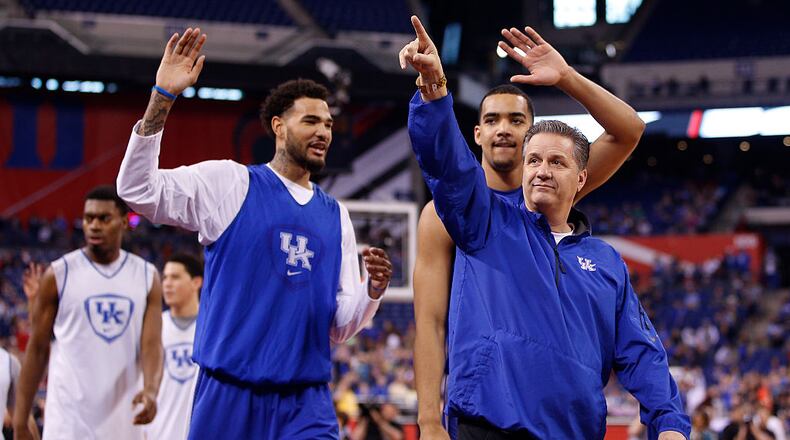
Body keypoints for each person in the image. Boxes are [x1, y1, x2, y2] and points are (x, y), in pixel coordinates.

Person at [402, 16, 690, 440]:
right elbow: (447, 166)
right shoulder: (480, 222)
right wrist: (433, 89)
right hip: (488, 423)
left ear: (581, 178)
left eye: (555, 162)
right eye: (536, 161)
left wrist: (669, 423)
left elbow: (640, 351)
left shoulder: (604, 260)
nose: (541, 170)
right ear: (478, 133)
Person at [116, 28, 393, 439]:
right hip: (229, 394)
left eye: (330, 124)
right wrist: (163, 97)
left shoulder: (336, 217)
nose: (324, 132)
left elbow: (338, 326)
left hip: (306, 401)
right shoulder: (230, 183)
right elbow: (137, 190)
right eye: (311, 120)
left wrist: (372, 291)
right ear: (279, 127)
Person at [13, 185, 163, 440]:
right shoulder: (58, 274)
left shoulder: (147, 276)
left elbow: (151, 346)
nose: (94, 225)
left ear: (124, 223)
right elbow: (37, 349)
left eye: (104, 218)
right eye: (88, 218)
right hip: (68, 419)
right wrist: (20, 419)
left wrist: (150, 390)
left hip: (124, 420)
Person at [144, 253, 202, 440]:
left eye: (175, 277)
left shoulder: (213, 328)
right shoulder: (152, 327)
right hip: (158, 432)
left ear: (196, 283)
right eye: (165, 278)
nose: (167, 284)